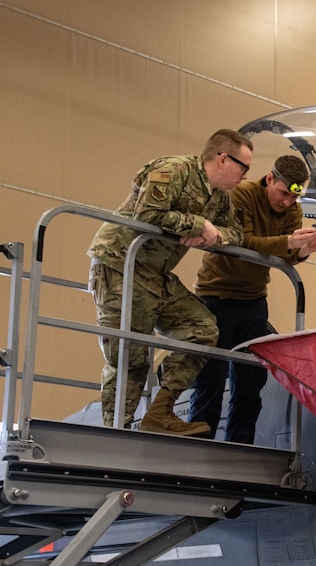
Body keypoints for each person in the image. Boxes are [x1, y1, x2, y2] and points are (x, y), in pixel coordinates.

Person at [88, 129, 252, 436]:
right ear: (222, 159)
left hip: (155, 274)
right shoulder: (174, 169)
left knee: (203, 330)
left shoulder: (219, 197)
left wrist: (213, 233)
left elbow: (237, 233)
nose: (245, 176)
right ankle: (115, 434)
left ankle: (160, 412)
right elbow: (147, 212)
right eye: (243, 167)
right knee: (130, 357)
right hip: (120, 264)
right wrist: (197, 224)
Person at [189, 154, 316, 443]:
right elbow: (244, 241)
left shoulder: (292, 208)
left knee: (251, 380)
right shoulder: (242, 195)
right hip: (217, 295)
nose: (287, 203)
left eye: (294, 197)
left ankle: (239, 445)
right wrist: (291, 242)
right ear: (269, 178)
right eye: (282, 194)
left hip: (253, 300)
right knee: (211, 376)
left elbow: (287, 254)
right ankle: (198, 443)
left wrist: (306, 250)